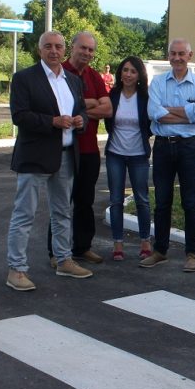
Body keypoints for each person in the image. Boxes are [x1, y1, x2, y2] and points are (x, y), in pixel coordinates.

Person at [5, 31, 91, 291]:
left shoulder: (73, 81)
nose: (54, 51)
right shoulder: (24, 78)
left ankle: (64, 260)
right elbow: (19, 115)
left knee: (62, 212)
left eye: (58, 47)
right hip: (34, 157)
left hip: (65, 156)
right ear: (39, 49)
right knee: (25, 214)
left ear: (65, 50)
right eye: (48, 47)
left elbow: (83, 112)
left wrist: (80, 122)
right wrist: (52, 122)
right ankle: (16, 269)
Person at [142, 39, 195, 272]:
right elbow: (153, 112)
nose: (177, 57)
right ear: (168, 56)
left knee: (190, 202)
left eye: (182, 53)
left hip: (189, 147)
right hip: (162, 147)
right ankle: (160, 250)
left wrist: (168, 111)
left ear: (189, 56)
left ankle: (192, 253)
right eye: (173, 53)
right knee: (162, 202)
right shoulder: (159, 81)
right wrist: (187, 114)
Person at [53, 31, 112, 265]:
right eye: (83, 48)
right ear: (72, 47)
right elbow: (56, 109)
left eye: (91, 50)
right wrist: (88, 104)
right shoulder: (60, 72)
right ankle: (55, 252)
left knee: (85, 201)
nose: (87, 53)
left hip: (89, 150)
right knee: (61, 203)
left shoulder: (95, 77)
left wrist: (77, 109)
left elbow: (107, 109)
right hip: (65, 149)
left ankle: (82, 247)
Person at [104, 56, 153, 261]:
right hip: (115, 154)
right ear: (120, 73)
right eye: (125, 70)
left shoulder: (145, 97)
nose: (128, 74)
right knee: (116, 201)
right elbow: (108, 122)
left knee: (142, 199)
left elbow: (149, 125)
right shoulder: (113, 95)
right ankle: (118, 245)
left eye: (133, 71)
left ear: (139, 75)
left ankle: (145, 242)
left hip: (138, 155)